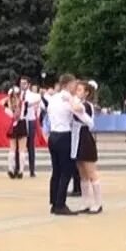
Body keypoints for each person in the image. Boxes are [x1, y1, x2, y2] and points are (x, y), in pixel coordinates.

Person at [46, 75, 84, 215]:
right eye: (74, 84)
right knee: (66, 170)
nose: (76, 87)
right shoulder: (68, 99)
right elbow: (78, 110)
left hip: (53, 135)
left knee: (56, 170)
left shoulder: (54, 98)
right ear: (68, 84)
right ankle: (60, 204)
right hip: (64, 135)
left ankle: (54, 201)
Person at [73, 80, 103, 214]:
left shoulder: (86, 105)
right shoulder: (77, 102)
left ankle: (98, 202)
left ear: (86, 93)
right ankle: (86, 202)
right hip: (77, 138)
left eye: (80, 90)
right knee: (82, 173)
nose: (77, 92)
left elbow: (77, 109)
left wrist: (69, 100)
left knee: (91, 172)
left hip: (85, 137)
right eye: (76, 89)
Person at [3, 86, 29, 179]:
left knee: (12, 149)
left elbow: (1, 103)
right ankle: (21, 171)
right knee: (22, 150)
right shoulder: (23, 103)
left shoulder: (8, 105)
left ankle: (10, 168)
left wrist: (8, 98)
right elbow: (25, 113)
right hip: (21, 124)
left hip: (12, 125)